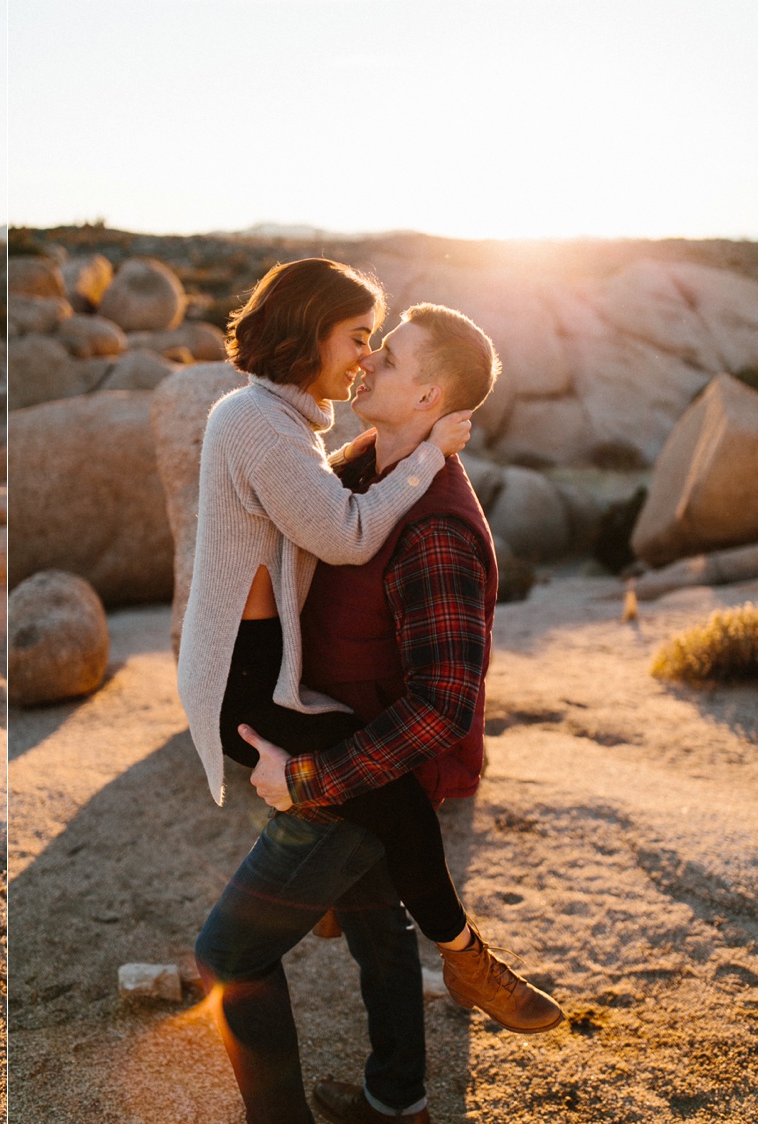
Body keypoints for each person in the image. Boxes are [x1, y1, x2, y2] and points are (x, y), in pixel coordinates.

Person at [179, 260, 560, 1123]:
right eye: (364, 341)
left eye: (385, 354)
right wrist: (421, 452)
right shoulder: (351, 467)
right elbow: (323, 491)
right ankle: (399, 1101)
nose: (367, 361)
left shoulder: (435, 530)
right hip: (317, 719)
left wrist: (308, 779)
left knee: (231, 954)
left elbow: (443, 705)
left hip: (357, 758)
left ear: (427, 396)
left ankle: (460, 969)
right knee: (376, 924)